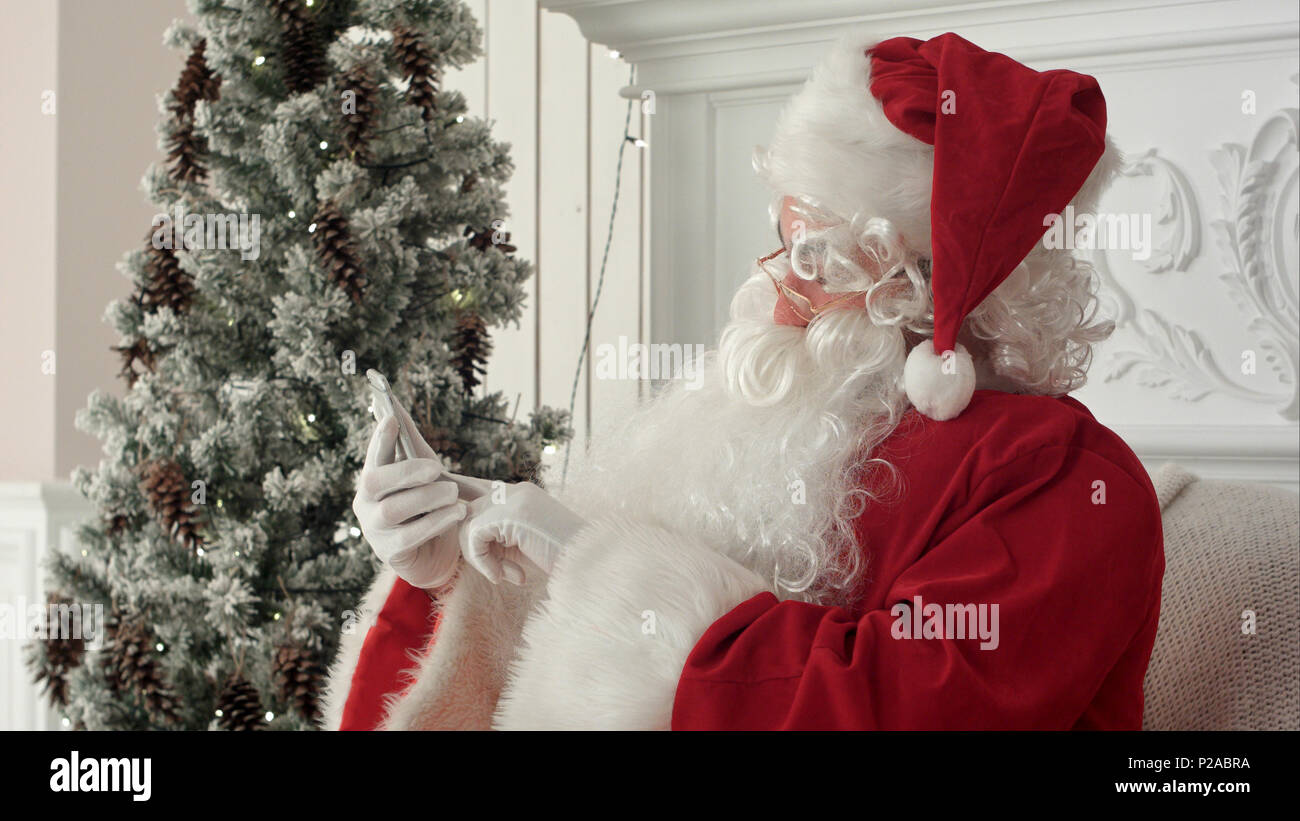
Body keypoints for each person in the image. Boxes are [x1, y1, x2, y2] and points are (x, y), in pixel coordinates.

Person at [322, 31, 1165, 731]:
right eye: (781, 236)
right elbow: (554, 676)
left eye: (815, 254)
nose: (777, 284)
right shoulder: (773, 415)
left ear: (928, 284)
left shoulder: (1069, 484)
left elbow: (893, 708)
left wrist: (593, 564)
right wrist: (455, 580)